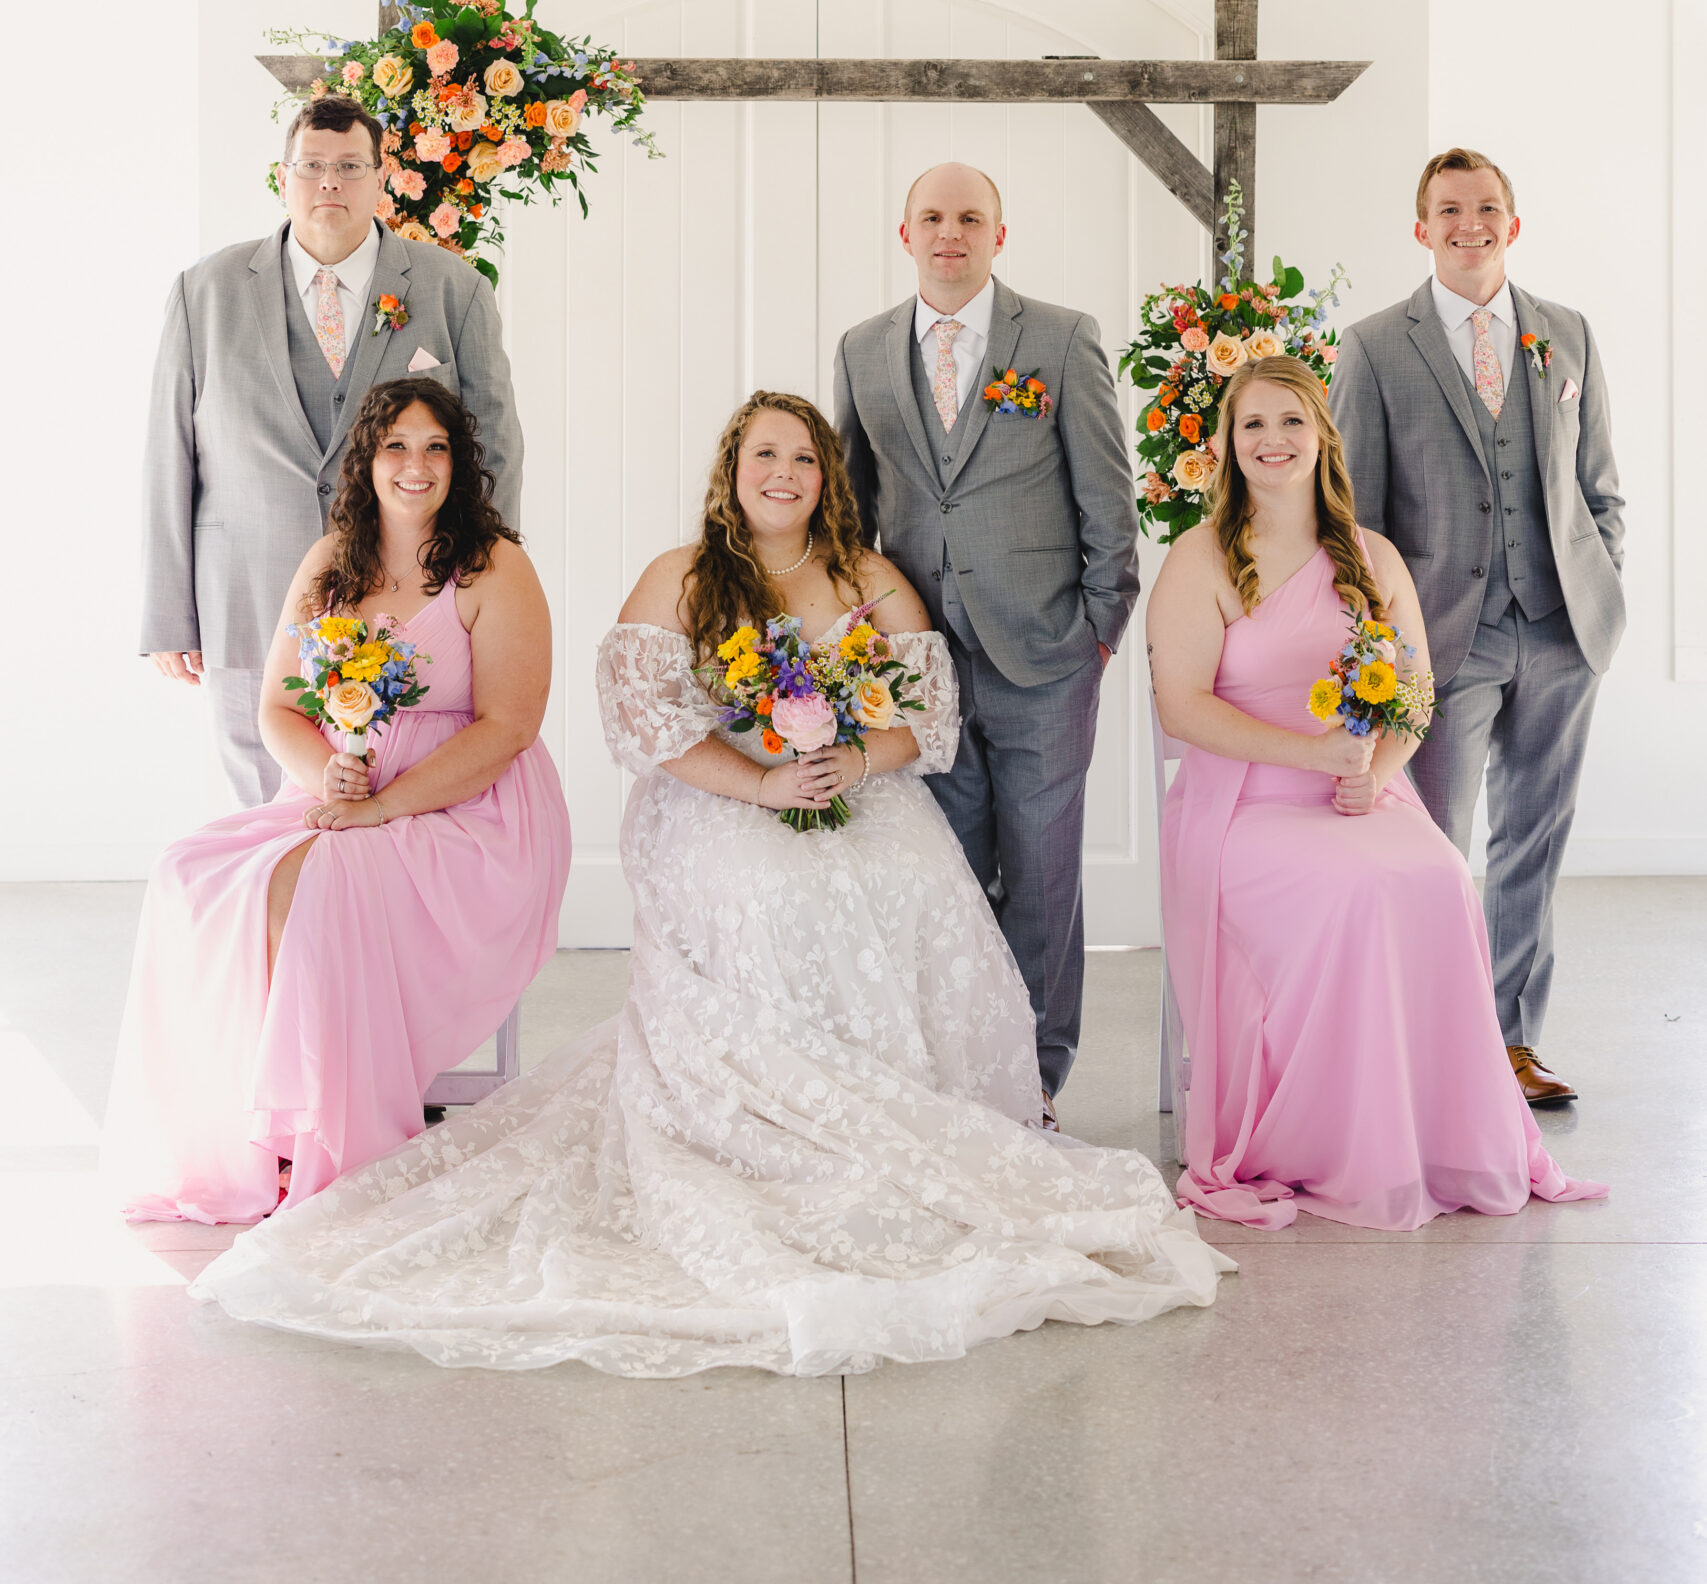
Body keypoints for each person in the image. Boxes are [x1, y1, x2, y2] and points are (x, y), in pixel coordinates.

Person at [191, 391, 1227, 1375]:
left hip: (849, 789)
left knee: (909, 875)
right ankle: (768, 1109)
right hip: (714, 796)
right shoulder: (682, 574)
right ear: (730, 472)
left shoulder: (868, 578)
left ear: (828, 479)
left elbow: (929, 717)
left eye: (803, 458)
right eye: (763, 453)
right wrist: (762, 780)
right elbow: (648, 725)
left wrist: (853, 762)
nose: (783, 473)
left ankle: (900, 1099)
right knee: (771, 889)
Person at [1148, 354, 1606, 1231]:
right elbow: (1183, 707)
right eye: (1252, 425)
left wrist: (1375, 772)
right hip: (1242, 804)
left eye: (1290, 421)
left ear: (1322, 434)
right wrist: (1314, 756)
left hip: (1358, 790)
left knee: (1436, 878)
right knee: (1352, 893)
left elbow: (1419, 693)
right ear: (1227, 443)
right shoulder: (1199, 557)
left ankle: (1432, 1131)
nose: (1272, 440)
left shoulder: (1371, 555)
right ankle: (1326, 1139)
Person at [105, 379, 571, 1224]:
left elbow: (509, 725)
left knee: (315, 885)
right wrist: (328, 778)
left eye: (436, 447)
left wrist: (384, 809)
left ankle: (317, 1130)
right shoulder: (331, 561)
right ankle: (250, 1125)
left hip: (469, 809)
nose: (416, 465)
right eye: (396, 445)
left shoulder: (493, 565)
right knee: (190, 874)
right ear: (367, 459)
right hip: (339, 793)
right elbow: (279, 707)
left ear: (460, 462)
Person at [832, 162, 1139, 1111]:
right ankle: (964, 1074)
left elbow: (1107, 499)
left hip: (1045, 656)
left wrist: (1097, 630)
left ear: (999, 236)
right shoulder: (862, 349)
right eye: (933, 217)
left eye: (970, 218)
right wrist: (861, 650)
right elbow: (849, 511)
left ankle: (1035, 1084)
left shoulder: (1058, 339)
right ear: (905, 234)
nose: (950, 233)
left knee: (1043, 878)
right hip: (919, 670)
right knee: (949, 877)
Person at [1331, 149, 1625, 1108]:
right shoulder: (1375, 344)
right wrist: (1378, 646)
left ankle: (1509, 1044)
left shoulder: (1565, 334)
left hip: (1557, 626)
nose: (1470, 224)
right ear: (1421, 228)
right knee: (1431, 849)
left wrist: (1599, 579)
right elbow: (1357, 518)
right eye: (1449, 210)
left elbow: (1598, 488)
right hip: (1438, 639)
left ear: (1512, 220)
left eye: (1486, 207)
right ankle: (1430, 1046)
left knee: (1532, 841)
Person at [141, 93, 523, 806]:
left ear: (381, 178)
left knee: (394, 790)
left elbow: (493, 441)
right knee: (261, 793)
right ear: (281, 177)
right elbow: (170, 453)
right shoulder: (205, 291)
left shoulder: (454, 289)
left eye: (350, 166)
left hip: (408, 591)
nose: (329, 184)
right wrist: (169, 612)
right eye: (311, 166)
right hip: (245, 591)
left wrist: (481, 578)